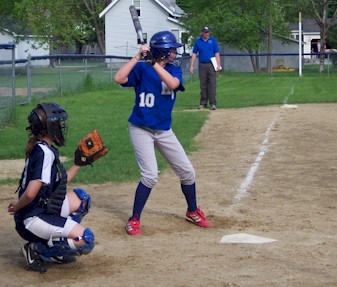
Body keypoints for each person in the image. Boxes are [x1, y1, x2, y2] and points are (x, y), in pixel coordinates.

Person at [114, 31, 210, 236]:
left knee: (187, 173)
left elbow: (173, 84)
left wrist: (153, 63)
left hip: (164, 130)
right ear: (162, 52)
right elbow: (119, 78)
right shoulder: (141, 68)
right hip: (141, 129)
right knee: (150, 176)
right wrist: (138, 57)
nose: (175, 52)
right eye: (171, 49)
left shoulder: (174, 71)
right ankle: (134, 219)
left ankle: (192, 210)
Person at [7, 102, 94, 273]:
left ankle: (58, 250)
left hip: (40, 208)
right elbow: (31, 193)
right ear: (49, 127)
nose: (61, 128)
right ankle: (37, 249)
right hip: (31, 218)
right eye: (58, 124)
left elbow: (58, 184)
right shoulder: (44, 153)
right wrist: (17, 207)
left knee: (82, 200)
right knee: (85, 239)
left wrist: (78, 164)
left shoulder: (43, 148)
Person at [189, 26, 221, 110]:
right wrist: (191, 65)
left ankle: (213, 103)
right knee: (203, 84)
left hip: (211, 64)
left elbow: (217, 53)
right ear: (202, 33)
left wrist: (218, 65)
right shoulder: (198, 41)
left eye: (208, 32)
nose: (207, 34)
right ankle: (203, 103)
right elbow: (194, 53)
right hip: (202, 64)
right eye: (205, 32)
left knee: (212, 84)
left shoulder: (213, 41)